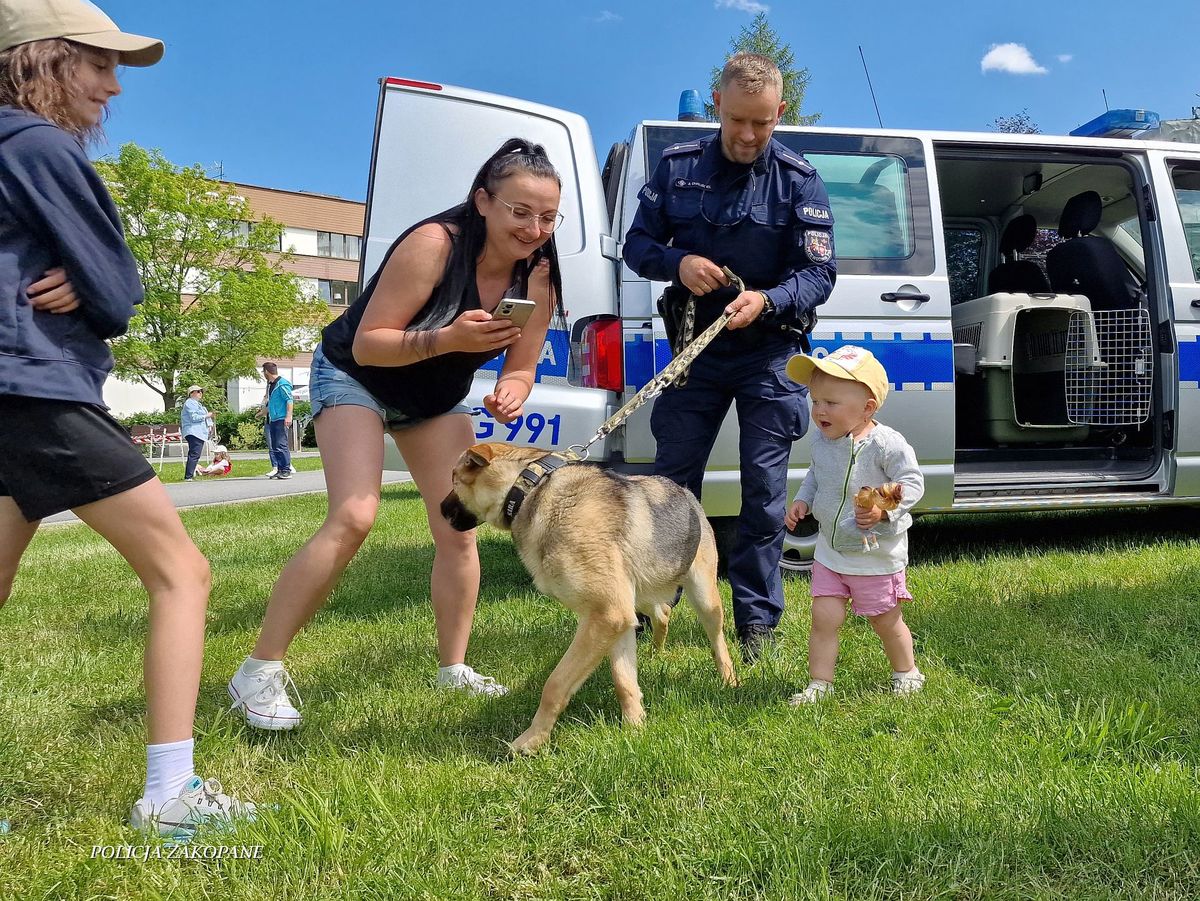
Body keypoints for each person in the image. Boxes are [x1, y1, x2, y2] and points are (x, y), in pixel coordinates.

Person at [0, 0, 252, 836]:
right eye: (100, 64)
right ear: (43, 59)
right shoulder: (38, 145)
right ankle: (170, 795)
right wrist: (96, 277)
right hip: (36, 389)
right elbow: (117, 291)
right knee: (182, 571)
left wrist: (86, 272)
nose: (114, 87)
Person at [227, 138, 566, 728]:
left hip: (432, 398)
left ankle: (453, 668)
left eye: (548, 217)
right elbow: (369, 344)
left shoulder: (537, 274)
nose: (534, 229)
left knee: (458, 525)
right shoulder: (434, 244)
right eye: (520, 211)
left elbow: (522, 364)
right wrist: (449, 339)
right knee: (354, 515)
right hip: (357, 375)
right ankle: (258, 671)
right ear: (483, 201)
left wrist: (513, 388)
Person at [622, 52, 837, 663]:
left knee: (764, 494)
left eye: (762, 123)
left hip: (768, 350)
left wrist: (768, 300)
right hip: (696, 351)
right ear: (717, 104)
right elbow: (637, 245)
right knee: (670, 486)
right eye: (737, 119)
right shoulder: (677, 167)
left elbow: (820, 274)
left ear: (780, 112)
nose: (747, 134)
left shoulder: (799, 180)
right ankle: (651, 607)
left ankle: (757, 626)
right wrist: (679, 263)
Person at [783, 346, 925, 703]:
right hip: (831, 551)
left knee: (885, 621)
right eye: (816, 401)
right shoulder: (823, 440)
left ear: (867, 408)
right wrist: (803, 499)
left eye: (831, 402)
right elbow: (816, 474)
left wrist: (882, 509)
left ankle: (906, 672)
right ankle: (820, 684)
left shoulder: (885, 444)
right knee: (824, 618)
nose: (819, 410)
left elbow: (912, 483)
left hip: (873, 555)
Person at [257, 361, 293, 480]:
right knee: (275, 445)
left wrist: (288, 416)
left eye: (263, 372)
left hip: (281, 418)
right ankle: (280, 469)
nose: (263, 374)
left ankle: (286, 470)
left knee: (281, 445)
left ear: (266, 371)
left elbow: (289, 400)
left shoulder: (282, 384)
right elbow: (273, 404)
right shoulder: (271, 385)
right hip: (273, 419)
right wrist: (262, 413)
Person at [180, 384, 214, 481]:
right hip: (193, 431)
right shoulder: (190, 403)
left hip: (199, 432)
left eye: (201, 391)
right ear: (191, 393)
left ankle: (191, 474)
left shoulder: (198, 404)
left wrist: (210, 425)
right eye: (198, 391)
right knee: (194, 454)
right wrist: (207, 415)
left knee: (195, 454)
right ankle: (188, 476)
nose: (200, 393)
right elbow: (194, 417)